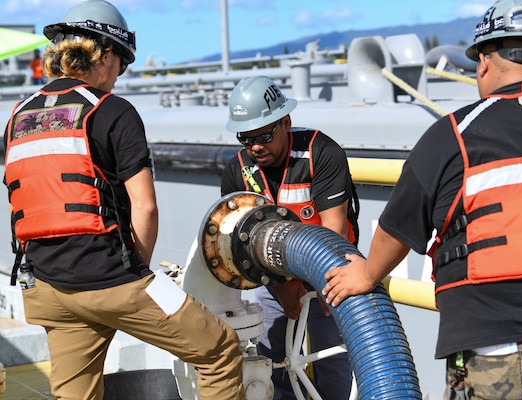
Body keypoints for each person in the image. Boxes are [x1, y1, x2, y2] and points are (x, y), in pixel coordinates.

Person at [323, 0, 522, 398]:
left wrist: (366, 275)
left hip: (493, 342)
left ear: (483, 64)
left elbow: (398, 224)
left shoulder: (453, 134)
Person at [3, 1, 245, 399]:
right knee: (219, 348)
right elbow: (145, 207)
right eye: (123, 63)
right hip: (111, 280)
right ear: (106, 54)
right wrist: (137, 275)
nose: (119, 75)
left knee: (74, 394)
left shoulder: (19, 116)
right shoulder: (113, 110)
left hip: (47, 287)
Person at [221, 75, 359, 400]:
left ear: (286, 122)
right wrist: (281, 287)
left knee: (333, 361)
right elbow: (239, 241)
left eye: (265, 136)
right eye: (246, 138)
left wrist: (325, 282)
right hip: (273, 279)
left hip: (331, 272)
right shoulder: (238, 170)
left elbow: (334, 228)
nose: (256, 147)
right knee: (274, 364)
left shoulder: (320, 153)